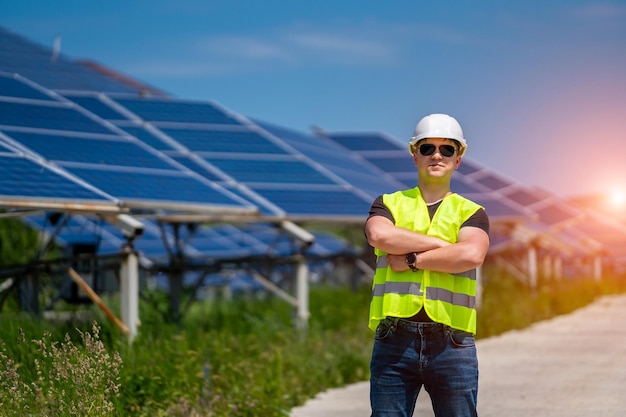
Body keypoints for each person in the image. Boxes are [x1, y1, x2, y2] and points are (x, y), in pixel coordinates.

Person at [365, 113, 490, 417]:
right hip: (394, 338)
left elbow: (471, 255)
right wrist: (445, 247)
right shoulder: (389, 203)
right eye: (427, 148)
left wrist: (411, 259)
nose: (437, 155)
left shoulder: (471, 212)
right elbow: (378, 234)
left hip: (452, 343)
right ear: (414, 155)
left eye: (447, 149)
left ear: (457, 159)